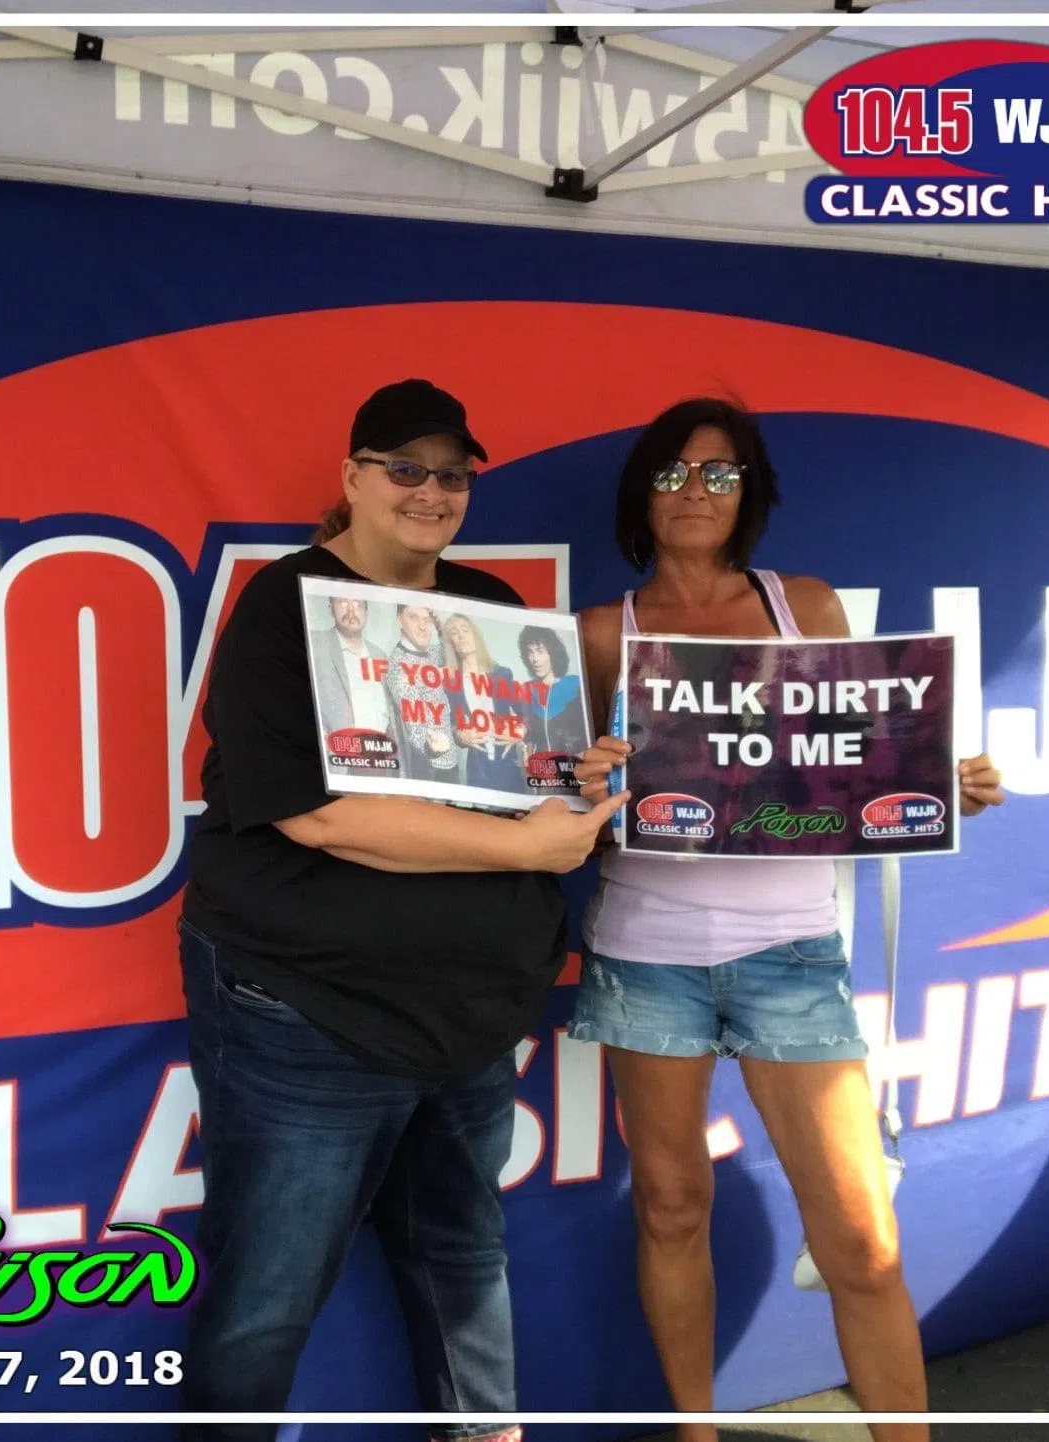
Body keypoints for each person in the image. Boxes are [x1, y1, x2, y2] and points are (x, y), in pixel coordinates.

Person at [177, 376, 626, 1440]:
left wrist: (577, 775)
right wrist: (524, 846)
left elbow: (525, 780)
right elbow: (316, 816)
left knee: (463, 1255)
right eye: (406, 468)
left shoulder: (491, 608)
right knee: (266, 1295)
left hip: (472, 1014)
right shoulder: (284, 606)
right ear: (352, 477)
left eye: (453, 475)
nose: (432, 491)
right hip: (311, 1012)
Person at [567, 397, 1006, 1442]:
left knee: (862, 1240)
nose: (695, 491)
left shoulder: (802, 604)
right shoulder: (599, 633)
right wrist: (583, 781)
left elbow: (857, 757)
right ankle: (695, 1432)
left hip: (791, 951)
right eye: (673, 471)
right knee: (670, 1206)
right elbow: (560, 799)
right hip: (645, 950)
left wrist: (940, 781)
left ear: (748, 493)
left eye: (719, 474)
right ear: (642, 492)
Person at [443, 613, 528, 797]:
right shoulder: (452, 683)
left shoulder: (502, 674)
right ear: (452, 644)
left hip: (508, 764)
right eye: (455, 633)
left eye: (465, 630)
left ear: (475, 635)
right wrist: (460, 736)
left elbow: (526, 712)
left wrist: (519, 732)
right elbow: (452, 724)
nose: (461, 635)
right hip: (478, 769)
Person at [387, 601, 461, 783]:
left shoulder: (428, 653)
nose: (422, 627)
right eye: (414, 618)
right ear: (399, 620)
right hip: (431, 770)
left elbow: (454, 653)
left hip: (450, 762)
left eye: (426, 620)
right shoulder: (399, 666)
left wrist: (440, 626)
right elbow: (415, 728)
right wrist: (432, 748)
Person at [313, 593, 397, 744]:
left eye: (357, 603)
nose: (351, 610)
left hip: (379, 751)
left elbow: (391, 713)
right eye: (343, 602)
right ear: (331, 609)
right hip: (338, 752)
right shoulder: (315, 645)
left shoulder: (380, 656)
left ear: (366, 613)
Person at [517, 625, 590, 760]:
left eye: (540, 651)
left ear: (553, 653)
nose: (534, 659)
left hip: (574, 765)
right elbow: (527, 725)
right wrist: (519, 731)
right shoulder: (527, 688)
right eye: (530, 652)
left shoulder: (575, 684)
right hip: (541, 766)